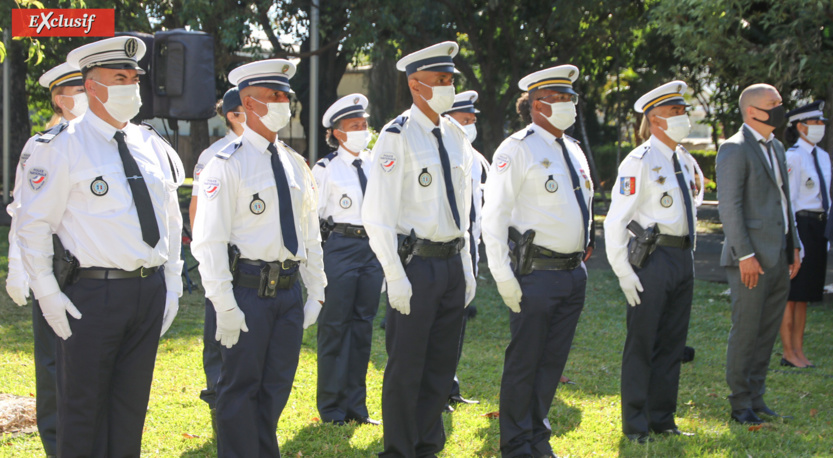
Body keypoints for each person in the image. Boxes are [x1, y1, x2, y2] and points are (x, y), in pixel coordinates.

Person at [16, 36, 184, 456]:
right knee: (83, 412)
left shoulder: (151, 145)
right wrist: (47, 292)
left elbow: (170, 218)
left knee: (130, 408)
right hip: (93, 293)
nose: (131, 86)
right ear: (92, 86)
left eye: (134, 78)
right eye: (119, 78)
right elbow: (33, 225)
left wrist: (173, 283)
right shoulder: (62, 146)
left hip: (146, 290)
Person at [190, 58, 326, 457]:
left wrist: (316, 287)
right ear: (248, 104)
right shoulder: (225, 163)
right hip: (246, 291)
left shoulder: (295, 162)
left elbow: (309, 231)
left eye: (286, 95)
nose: (284, 102)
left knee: (275, 388)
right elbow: (207, 240)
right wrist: (223, 302)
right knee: (237, 392)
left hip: (286, 294)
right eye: (274, 96)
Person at [362, 41, 476, 457]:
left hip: (450, 264)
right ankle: (398, 449)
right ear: (416, 84)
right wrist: (394, 275)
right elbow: (376, 215)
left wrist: (467, 268)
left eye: (450, 80)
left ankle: (428, 444)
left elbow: (462, 211)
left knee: (440, 368)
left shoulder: (456, 134)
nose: (448, 87)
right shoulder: (396, 136)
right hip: (416, 266)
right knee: (406, 368)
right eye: (440, 80)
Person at [482, 65, 594, 458]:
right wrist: (503, 277)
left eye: (570, 98)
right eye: (559, 99)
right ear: (535, 104)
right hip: (535, 274)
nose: (568, 106)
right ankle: (515, 444)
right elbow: (493, 217)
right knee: (525, 363)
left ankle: (536, 436)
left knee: (551, 364)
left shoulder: (575, 149)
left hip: (571, 272)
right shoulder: (517, 148)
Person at [604, 81, 702, 443]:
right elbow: (615, 220)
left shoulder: (684, 158)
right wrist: (623, 271)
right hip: (654, 258)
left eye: (683, 111)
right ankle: (636, 423)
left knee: (672, 341)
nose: (683, 118)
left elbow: (693, 199)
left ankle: (663, 418)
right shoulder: (640, 161)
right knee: (643, 342)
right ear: (655, 119)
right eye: (676, 112)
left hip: (682, 256)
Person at [5, 61, 86, 458]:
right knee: (55, 366)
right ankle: (57, 445)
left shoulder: (111, 142)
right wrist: (19, 269)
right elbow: (23, 212)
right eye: (79, 89)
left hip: (102, 275)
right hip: (57, 272)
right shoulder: (42, 145)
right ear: (60, 97)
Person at [716, 83, 801, 425]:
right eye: (774, 103)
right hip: (749, 259)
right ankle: (739, 404)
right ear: (752, 111)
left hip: (778, 254)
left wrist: (793, 243)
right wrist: (744, 255)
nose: (781, 107)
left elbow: (784, 200)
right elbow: (730, 207)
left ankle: (756, 395)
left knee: (766, 331)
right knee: (747, 330)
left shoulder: (777, 147)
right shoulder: (734, 149)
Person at [312, 93, 384, 426]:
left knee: (362, 327)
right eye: (355, 126)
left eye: (365, 124)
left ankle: (357, 407)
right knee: (334, 328)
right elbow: (310, 218)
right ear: (339, 133)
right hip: (339, 246)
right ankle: (331, 408)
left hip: (372, 249)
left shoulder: (377, 163)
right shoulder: (325, 169)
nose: (363, 130)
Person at [187, 87, 245, 430]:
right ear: (233, 115)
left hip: (257, 258)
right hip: (224, 253)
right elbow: (197, 208)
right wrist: (206, 253)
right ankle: (217, 388)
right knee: (218, 326)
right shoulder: (213, 155)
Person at [441, 89, 488, 411]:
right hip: (442, 251)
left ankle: (449, 384)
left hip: (468, 250)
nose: (470, 125)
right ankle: (435, 390)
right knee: (438, 324)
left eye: (473, 120)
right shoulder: (441, 153)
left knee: (457, 322)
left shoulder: (477, 158)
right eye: (464, 119)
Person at [782, 101, 829, 369]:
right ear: (801, 127)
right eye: (816, 122)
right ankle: (788, 351)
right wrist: (795, 242)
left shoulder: (822, 156)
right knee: (791, 294)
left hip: (819, 227)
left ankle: (799, 350)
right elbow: (789, 201)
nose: (821, 127)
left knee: (805, 295)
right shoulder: (793, 157)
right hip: (801, 225)